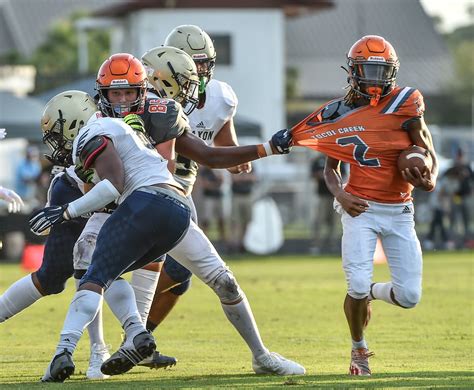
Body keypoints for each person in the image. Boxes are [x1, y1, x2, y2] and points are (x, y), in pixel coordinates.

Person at [30, 61, 302, 382]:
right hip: (114, 209)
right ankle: (99, 351)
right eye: (115, 93)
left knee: (224, 280)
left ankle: (261, 356)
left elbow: (207, 156)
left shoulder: (160, 112)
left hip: (163, 201)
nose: (122, 100)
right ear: (102, 95)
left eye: (129, 91)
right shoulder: (93, 125)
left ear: (142, 90)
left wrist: (267, 148)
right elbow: (95, 185)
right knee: (90, 266)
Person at [290, 35, 438, 376]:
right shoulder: (339, 111)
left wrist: (430, 177)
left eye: (380, 69)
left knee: (409, 296)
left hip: (401, 211)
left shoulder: (406, 103)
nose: (373, 77)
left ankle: (371, 292)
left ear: (392, 71)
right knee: (354, 285)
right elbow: (330, 170)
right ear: (353, 71)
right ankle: (359, 349)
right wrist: (340, 195)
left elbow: (427, 152)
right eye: (367, 69)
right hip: (360, 208)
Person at [309, 155, 344, 253]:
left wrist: (329, 175)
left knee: (333, 221)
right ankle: (316, 245)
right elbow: (312, 174)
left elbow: (342, 175)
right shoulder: (318, 160)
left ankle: (333, 244)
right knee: (319, 220)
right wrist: (323, 175)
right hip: (322, 195)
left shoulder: (338, 157)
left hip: (335, 195)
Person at [229, 168, 257, 253]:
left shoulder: (252, 166)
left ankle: (242, 243)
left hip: (248, 196)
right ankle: (234, 243)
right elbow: (235, 179)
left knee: (246, 221)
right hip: (237, 196)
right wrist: (245, 178)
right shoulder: (235, 163)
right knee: (235, 222)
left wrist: (243, 177)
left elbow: (254, 178)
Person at [199, 167, 226, 242]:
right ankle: (204, 238)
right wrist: (215, 184)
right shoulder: (204, 171)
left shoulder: (218, 169)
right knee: (206, 219)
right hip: (208, 197)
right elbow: (205, 184)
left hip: (218, 196)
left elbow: (221, 180)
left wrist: (211, 184)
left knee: (221, 219)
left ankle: (222, 238)